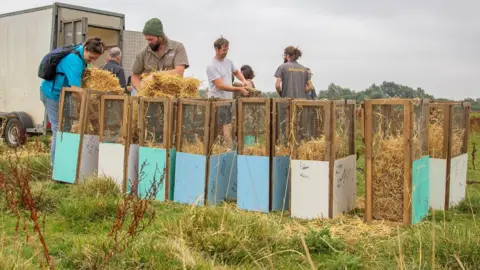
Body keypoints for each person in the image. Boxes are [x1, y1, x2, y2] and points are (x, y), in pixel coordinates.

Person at [40, 37, 105, 167]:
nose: (92, 61)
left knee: (67, 128)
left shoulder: (81, 52)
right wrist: (90, 110)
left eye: (95, 59)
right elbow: (76, 91)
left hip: (64, 95)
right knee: (59, 129)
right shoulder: (74, 61)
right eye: (91, 57)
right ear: (85, 49)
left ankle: (65, 162)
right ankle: (55, 166)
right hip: (52, 95)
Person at [206, 36, 249, 147]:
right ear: (216, 49)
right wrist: (239, 88)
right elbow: (220, 85)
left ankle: (226, 148)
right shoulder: (211, 66)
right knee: (225, 127)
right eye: (224, 50)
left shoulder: (228, 62)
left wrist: (244, 80)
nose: (226, 52)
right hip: (217, 101)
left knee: (227, 126)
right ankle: (230, 150)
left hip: (228, 100)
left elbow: (236, 72)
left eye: (227, 49)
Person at [131, 18, 190, 93]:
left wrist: (155, 76)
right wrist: (141, 91)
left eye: (151, 39)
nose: (148, 42)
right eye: (147, 39)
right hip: (150, 99)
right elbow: (135, 76)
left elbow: (179, 71)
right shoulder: (143, 53)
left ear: (160, 36)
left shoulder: (177, 48)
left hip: (172, 97)